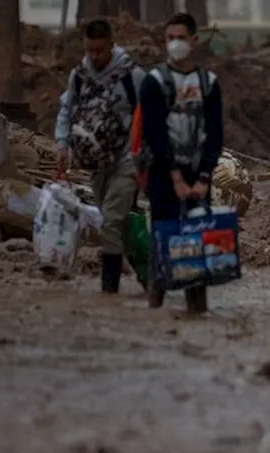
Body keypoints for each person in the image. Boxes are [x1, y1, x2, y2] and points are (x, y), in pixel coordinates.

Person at [138, 12, 225, 314]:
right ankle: (156, 294)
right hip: (163, 172)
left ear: (194, 40)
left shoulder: (209, 83)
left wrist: (203, 177)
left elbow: (215, 133)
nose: (175, 44)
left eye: (181, 38)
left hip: (198, 169)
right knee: (163, 231)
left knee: (197, 234)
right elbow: (154, 132)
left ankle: (196, 303)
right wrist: (175, 177)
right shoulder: (153, 82)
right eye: (170, 39)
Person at [54, 19, 146, 294]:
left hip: (126, 160)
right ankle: (149, 274)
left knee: (111, 221)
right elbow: (66, 109)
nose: (95, 57)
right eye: (90, 50)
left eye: (100, 51)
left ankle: (110, 290)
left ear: (111, 45)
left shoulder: (132, 76)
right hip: (95, 163)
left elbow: (151, 112)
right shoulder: (79, 75)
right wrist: (62, 142)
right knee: (116, 222)